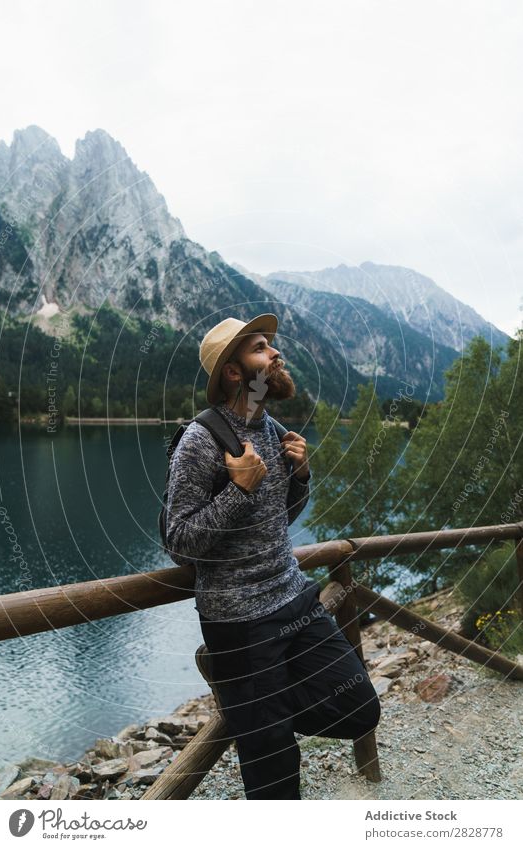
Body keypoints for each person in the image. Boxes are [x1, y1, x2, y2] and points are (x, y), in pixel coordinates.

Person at [164, 313, 381, 799]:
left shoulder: (273, 428)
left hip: (294, 599)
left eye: (271, 345)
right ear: (235, 372)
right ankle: (257, 720)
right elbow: (179, 539)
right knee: (273, 769)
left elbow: (279, 518)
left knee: (359, 709)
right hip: (240, 622)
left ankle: (255, 711)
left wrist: (299, 477)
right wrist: (238, 489)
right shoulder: (200, 441)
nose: (275, 353)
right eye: (261, 347)